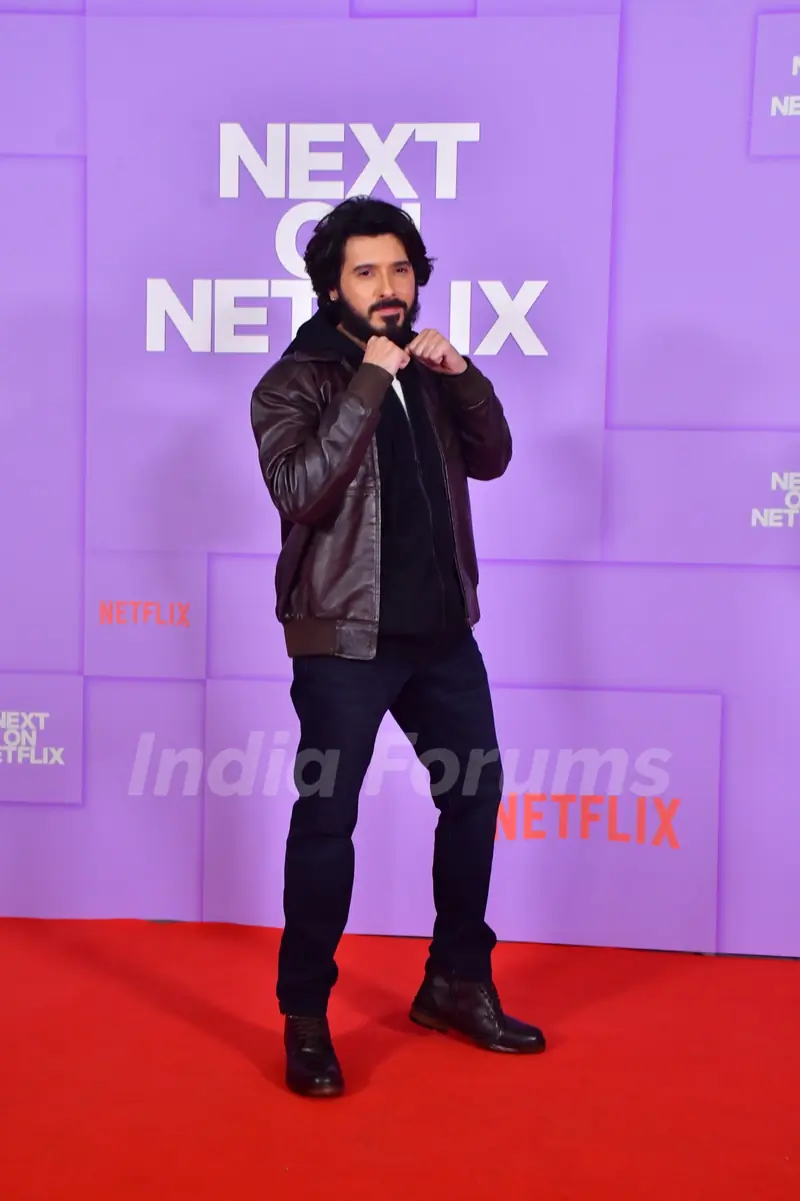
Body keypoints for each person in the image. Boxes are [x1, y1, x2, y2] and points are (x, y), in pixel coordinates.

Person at [250, 196, 545, 1098]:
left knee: (473, 796)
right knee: (326, 821)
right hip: (345, 639)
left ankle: (455, 979)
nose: (389, 287)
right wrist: (368, 384)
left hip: (442, 635)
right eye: (367, 271)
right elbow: (302, 490)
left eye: (401, 269)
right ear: (332, 286)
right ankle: (306, 1016)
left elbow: (492, 456)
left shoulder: (426, 364)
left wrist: (462, 375)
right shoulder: (292, 381)